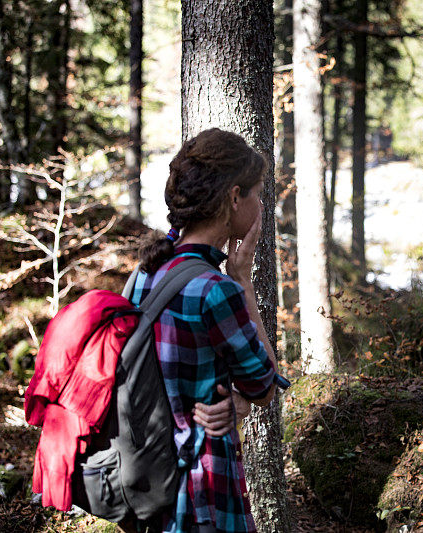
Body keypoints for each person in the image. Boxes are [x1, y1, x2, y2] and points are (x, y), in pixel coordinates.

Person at [128, 128, 279, 533]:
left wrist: (237, 401)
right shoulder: (216, 291)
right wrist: (243, 279)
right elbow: (264, 386)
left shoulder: (143, 276)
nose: (261, 204)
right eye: (257, 192)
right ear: (233, 197)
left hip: (146, 486)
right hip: (202, 490)